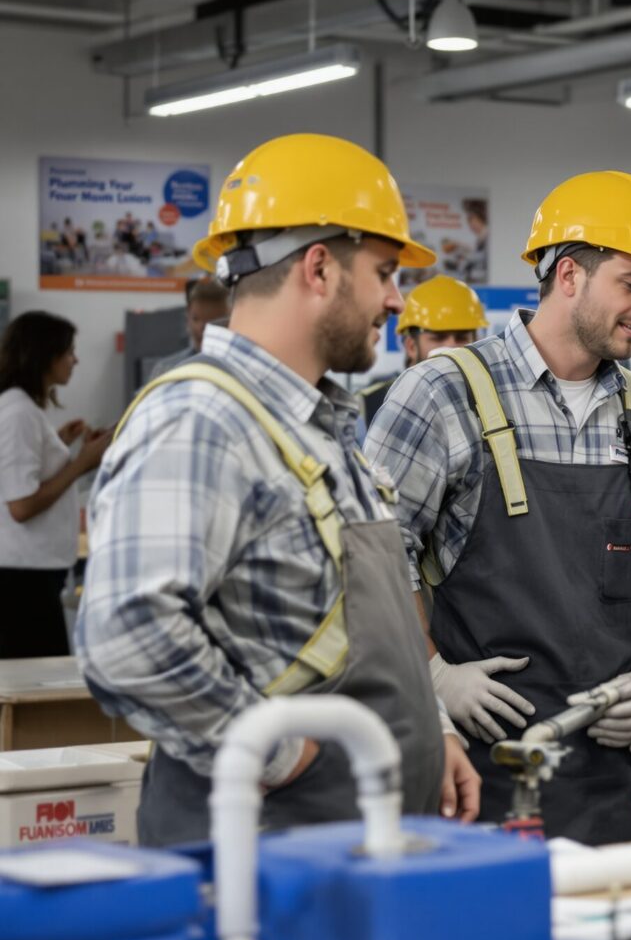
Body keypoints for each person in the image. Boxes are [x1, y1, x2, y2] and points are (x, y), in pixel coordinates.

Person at [74, 133, 480, 846]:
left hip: (351, 848)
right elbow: (128, 637)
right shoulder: (202, 419)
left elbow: (355, 625)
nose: (395, 299)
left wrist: (430, 729)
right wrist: (281, 754)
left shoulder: (315, 424)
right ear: (320, 267)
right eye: (385, 272)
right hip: (265, 859)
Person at [366, 172, 631, 844]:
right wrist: (433, 678)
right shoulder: (441, 393)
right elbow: (373, 561)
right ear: (568, 274)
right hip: (479, 772)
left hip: (614, 774)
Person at [0, 312, 110, 658]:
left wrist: (63, 445)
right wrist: (82, 463)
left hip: (29, 573)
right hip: (21, 579)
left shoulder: (22, 410)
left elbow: (27, 473)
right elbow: (21, 506)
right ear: (43, 355)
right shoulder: (19, 414)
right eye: (68, 352)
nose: (75, 360)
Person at [358, 275, 488, 426]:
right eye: (438, 338)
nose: (453, 348)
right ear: (411, 347)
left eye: (462, 338)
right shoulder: (368, 404)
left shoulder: (493, 400)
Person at [147, 277, 233, 384]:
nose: (201, 328)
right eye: (196, 319)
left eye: (212, 321)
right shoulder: (166, 370)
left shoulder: (239, 371)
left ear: (229, 322)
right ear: (187, 318)